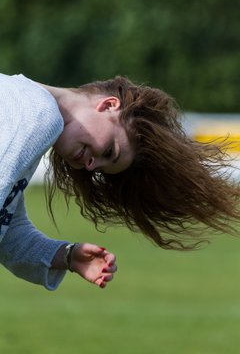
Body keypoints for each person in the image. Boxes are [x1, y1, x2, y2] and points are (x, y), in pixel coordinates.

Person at [0, 74, 240, 291]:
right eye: (108, 150)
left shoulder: (25, 107)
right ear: (109, 105)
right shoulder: (38, 114)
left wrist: (67, 255)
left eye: (101, 169)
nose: (92, 165)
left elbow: (8, 231)